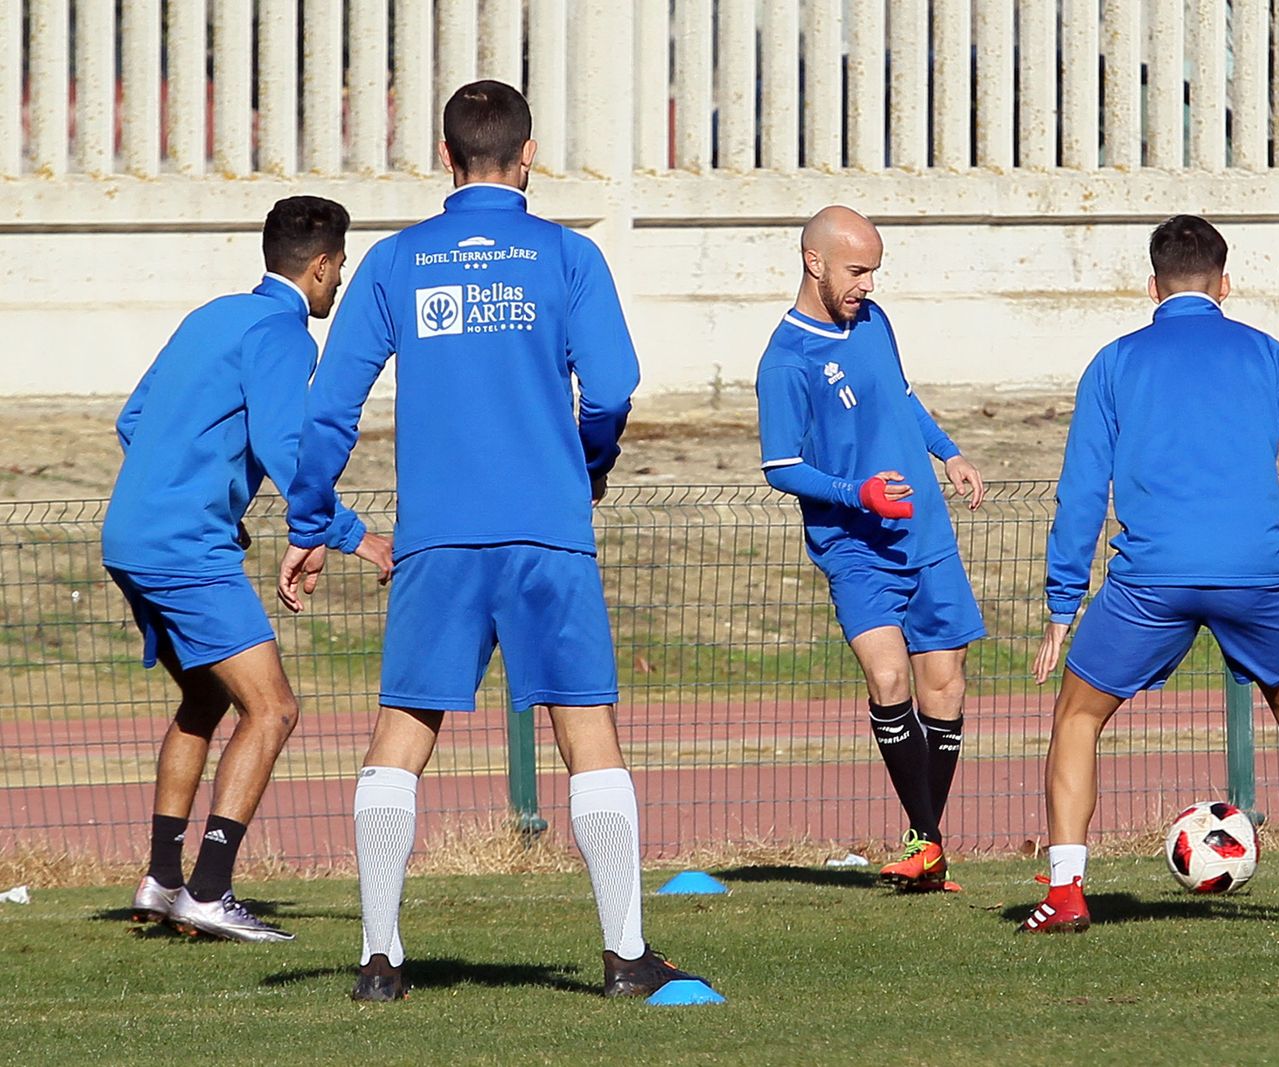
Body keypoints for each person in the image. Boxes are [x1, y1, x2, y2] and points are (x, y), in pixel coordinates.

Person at [280, 80, 706, 1002]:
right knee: (586, 729)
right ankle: (626, 956)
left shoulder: (396, 262)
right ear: (528, 155)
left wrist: (310, 522)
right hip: (547, 530)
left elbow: (330, 409)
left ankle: (380, 961)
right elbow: (613, 387)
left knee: (401, 732)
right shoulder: (569, 255)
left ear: (445, 157)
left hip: (437, 538)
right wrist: (589, 461)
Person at [1022, 215, 1279, 933]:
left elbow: (1082, 490)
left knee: (1078, 717)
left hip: (1150, 577)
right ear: (1225, 284)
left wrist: (1063, 604)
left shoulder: (1114, 363)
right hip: (1254, 573)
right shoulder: (1267, 354)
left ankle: (1065, 893)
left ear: (1152, 287)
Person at [104, 196, 391, 942]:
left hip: (130, 536)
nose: (340, 281)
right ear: (322, 265)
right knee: (273, 710)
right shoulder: (283, 333)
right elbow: (285, 447)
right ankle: (209, 889)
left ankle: (161, 879)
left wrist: (194, 495)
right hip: (183, 547)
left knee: (205, 698)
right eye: (340, 266)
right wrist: (354, 535)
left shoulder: (212, 316)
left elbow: (132, 420)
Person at [756, 206, 987, 893]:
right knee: (889, 680)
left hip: (926, 532)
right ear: (815, 262)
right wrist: (857, 493)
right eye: (857, 271)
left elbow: (903, 398)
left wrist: (948, 453)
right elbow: (781, 467)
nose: (868, 285)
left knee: (945, 684)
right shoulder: (786, 360)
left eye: (874, 271)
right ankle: (929, 840)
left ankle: (926, 847)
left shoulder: (874, 322)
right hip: (855, 546)